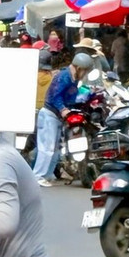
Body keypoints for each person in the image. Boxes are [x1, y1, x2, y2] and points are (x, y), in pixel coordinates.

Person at [32, 51, 92, 186]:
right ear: (79, 68)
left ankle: (47, 175)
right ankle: (38, 176)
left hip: (57, 117)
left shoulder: (73, 79)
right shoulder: (64, 76)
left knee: (55, 149)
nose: (85, 74)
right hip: (49, 115)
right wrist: (63, 109)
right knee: (47, 148)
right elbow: (55, 96)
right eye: (85, 71)